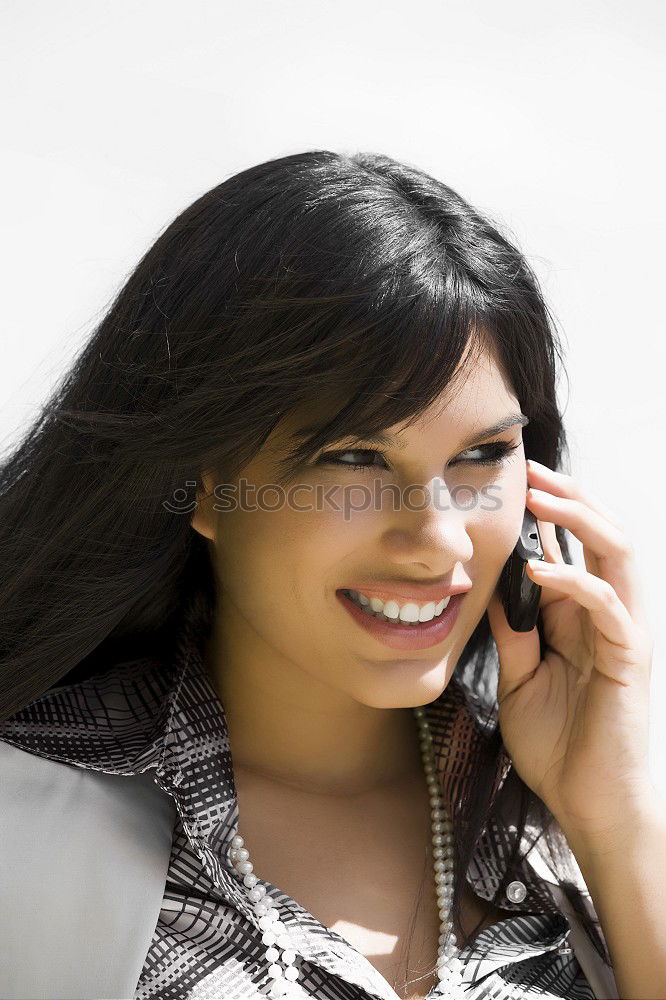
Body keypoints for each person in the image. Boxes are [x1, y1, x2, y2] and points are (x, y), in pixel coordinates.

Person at [0, 150, 661, 1000]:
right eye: (355, 458)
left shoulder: (576, 825)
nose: (439, 541)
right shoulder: (29, 810)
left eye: (483, 455)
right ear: (202, 482)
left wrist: (619, 820)